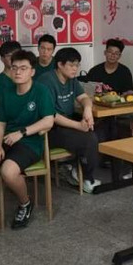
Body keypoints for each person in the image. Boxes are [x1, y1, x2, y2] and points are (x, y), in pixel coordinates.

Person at [0, 50, 55, 228]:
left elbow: (48, 120)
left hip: (30, 143)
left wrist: (22, 132)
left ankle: (25, 203)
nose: (18, 72)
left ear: (32, 71)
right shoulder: (7, 92)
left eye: (23, 68)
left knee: (8, 172)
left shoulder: (41, 91)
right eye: (14, 68)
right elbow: (0, 123)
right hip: (6, 141)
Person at [37, 47, 102, 193]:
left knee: (98, 129)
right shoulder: (46, 81)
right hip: (49, 129)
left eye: (77, 65)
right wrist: (78, 125)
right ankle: (86, 178)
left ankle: (74, 168)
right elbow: (51, 115)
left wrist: (87, 109)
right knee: (89, 139)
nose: (75, 69)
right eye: (71, 65)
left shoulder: (72, 80)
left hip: (67, 124)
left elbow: (84, 97)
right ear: (60, 65)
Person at [0, 39, 22, 127]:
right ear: (2, 59)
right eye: (9, 56)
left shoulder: (25, 77)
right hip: (6, 126)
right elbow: (2, 111)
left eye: (16, 54)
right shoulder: (0, 82)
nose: (13, 58)